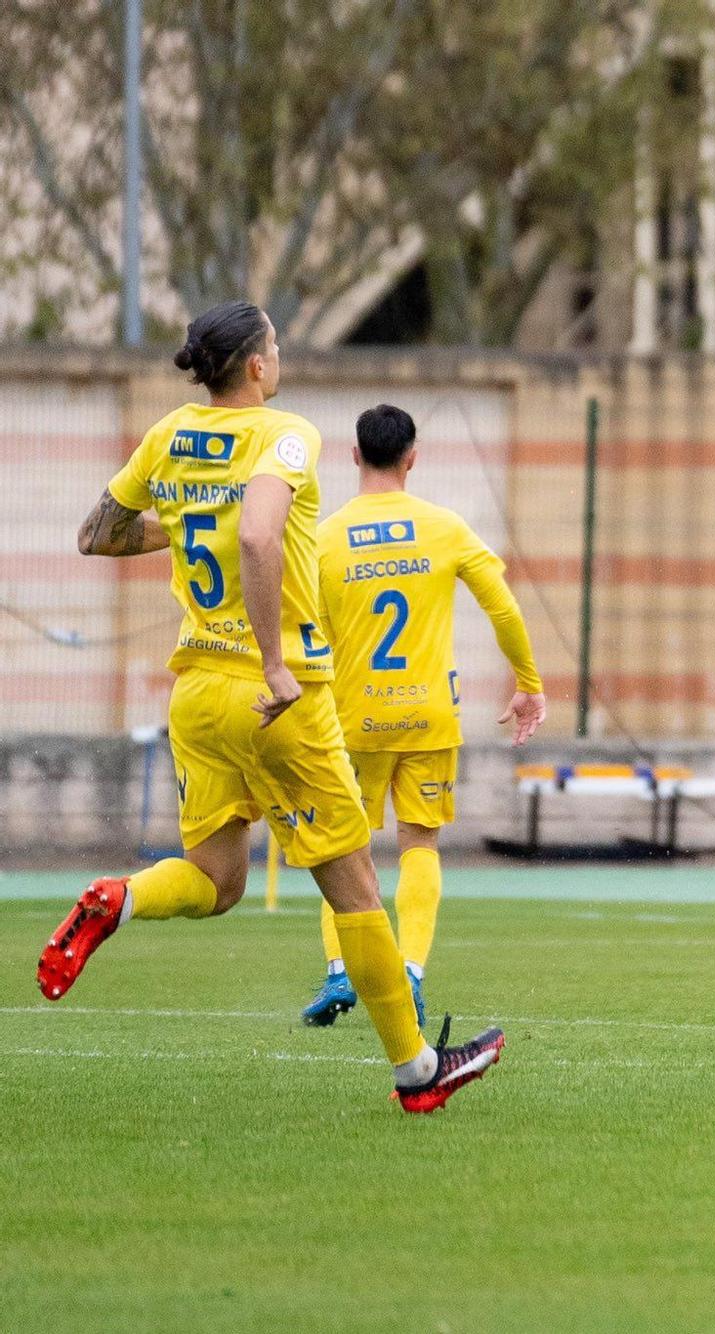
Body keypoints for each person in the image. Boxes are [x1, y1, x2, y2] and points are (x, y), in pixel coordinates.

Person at [39, 301, 502, 1112]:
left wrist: (187, 523)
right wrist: (277, 662)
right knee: (357, 886)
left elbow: (97, 535)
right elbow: (258, 536)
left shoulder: (169, 434)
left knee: (216, 881)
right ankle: (418, 1071)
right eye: (276, 347)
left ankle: (122, 896)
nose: (280, 357)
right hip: (276, 699)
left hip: (197, 695)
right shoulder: (286, 435)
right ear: (257, 365)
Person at [301, 404, 547, 1028]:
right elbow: (504, 610)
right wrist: (529, 684)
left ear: (354, 456)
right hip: (430, 715)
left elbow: (309, 634)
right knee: (420, 845)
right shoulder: (444, 527)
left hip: (351, 718)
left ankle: (339, 972)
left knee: (340, 848)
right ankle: (409, 969)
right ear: (412, 457)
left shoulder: (324, 538)